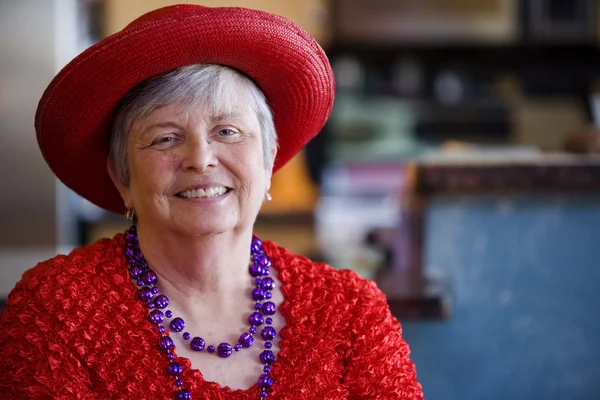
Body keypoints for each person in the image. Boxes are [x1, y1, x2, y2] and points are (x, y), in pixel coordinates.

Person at [0, 5, 423, 399]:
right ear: (122, 178)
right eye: (165, 138)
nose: (201, 159)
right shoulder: (56, 311)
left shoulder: (350, 310)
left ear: (268, 159)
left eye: (227, 131)